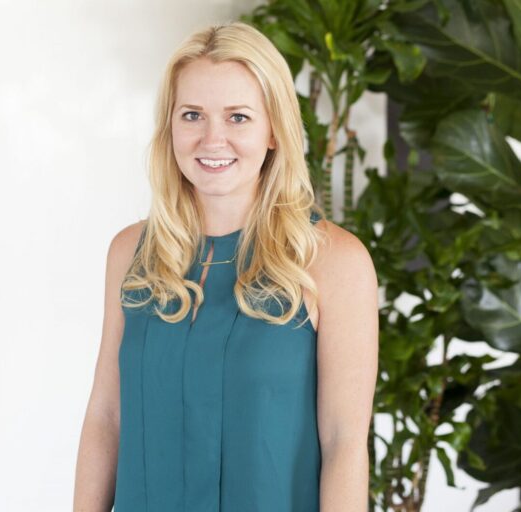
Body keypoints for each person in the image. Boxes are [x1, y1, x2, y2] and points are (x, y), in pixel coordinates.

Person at [73, 21, 378, 512]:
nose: (212, 139)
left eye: (238, 117)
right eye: (192, 115)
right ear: (170, 126)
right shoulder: (130, 253)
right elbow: (107, 416)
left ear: (275, 130)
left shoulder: (334, 262)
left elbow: (344, 442)